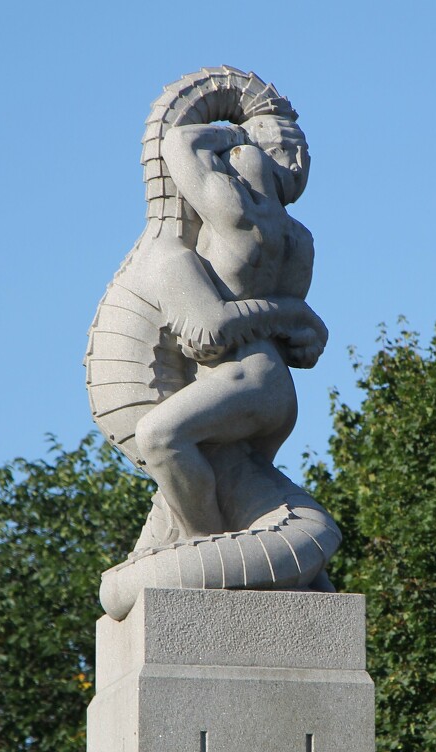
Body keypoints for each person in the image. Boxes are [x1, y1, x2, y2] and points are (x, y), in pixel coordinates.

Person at [133, 115, 326, 538]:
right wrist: (297, 316)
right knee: (244, 496)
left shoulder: (234, 208)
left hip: (239, 380)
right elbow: (300, 345)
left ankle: (205, 551)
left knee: (159, 438)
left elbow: (180, 141)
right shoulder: (301, 239)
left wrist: (237, 135)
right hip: (278, 394)